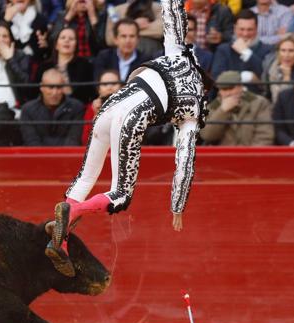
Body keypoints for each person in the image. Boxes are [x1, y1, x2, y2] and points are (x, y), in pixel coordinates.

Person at [44, 0, 210, 276]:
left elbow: (172, 12)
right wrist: (177, 206)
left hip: (109, 106)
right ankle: (72, 213)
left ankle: (61, 242)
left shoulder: (177, 55)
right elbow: (185, 161)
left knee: (85, 177)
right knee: (120, 194)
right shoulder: (193, 112)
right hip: (132, 118)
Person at [201, 70, 274, 145]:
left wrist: (251, 155)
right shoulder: (213, 107)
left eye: (231, 88)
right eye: (224, 89)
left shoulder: (259, 103)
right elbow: (207, 136)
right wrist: (222, 111)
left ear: (241, 87)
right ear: (219, 91)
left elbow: (264, 136)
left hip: (251, 154)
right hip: (223, 155)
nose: (228, 93)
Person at [20, 68, 85, 146]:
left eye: (59, 87)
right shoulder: (27, 109)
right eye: (50, 87)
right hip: (38, 156)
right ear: (41, 87)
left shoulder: (76, 107)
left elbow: (73, 139)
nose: (54, 93)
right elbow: (31, 141)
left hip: (67, 156)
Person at [211, 10, 273, 88]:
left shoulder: (267, 49)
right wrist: (245, 77)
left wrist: (246, 53)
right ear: (234, 28)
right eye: (241, 29)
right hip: (228, 96)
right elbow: (217, 78)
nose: (245, 34)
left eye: (250, 29)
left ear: (256, 29)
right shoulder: (223, 50)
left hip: (256, 97)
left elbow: (267, 76)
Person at [34, 26, 95, 104]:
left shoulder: (85, 66)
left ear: (76, 45)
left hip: (76, 108)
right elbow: (35, 92)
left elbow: (89, 93)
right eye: (63, 38)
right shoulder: (44, 66)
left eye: (71, 39)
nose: (67, 41)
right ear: (56, 45)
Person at [82, 70, 122, 145]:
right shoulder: (92, 108)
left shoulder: (129, 106)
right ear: (99, 90)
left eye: (114, 84)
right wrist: (95, 114)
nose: (109, 87)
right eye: (105, 84)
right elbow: (85, 141)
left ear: (121, 87)